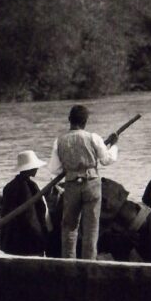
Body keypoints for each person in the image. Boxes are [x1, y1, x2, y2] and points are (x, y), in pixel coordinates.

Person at [46, 104, 119, 260]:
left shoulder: (59, 141)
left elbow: (54, 169)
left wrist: (70, 165)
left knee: (69, 228)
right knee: (91, 229)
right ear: (86, 121)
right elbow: (107, 160)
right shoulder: (94, 137)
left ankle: (68, 263)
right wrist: (113, 145)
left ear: (69, 120)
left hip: (71, 185)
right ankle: (89, 264)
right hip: (92, 184)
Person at [0, 150, 52, 256]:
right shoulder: (29, 187)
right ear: (30, 168)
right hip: (28, 241)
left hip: (12, 240)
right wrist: (42, 237)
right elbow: (31, 216)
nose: (37, 169)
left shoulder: (9, 186)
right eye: (35, 167)